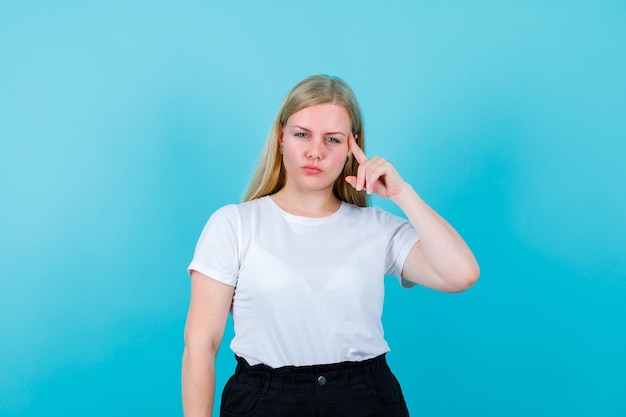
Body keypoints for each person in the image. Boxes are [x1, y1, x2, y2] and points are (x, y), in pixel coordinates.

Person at [182, 75, 479, 417]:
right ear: (281, 137)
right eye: (302, 134)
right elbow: (200, 344)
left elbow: (462, 274)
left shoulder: (376, 228)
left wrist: (402, 194)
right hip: (264, 401)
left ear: (353, 146)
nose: (315, 152)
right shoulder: (234, 224)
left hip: (364, 398)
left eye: (333, 140)